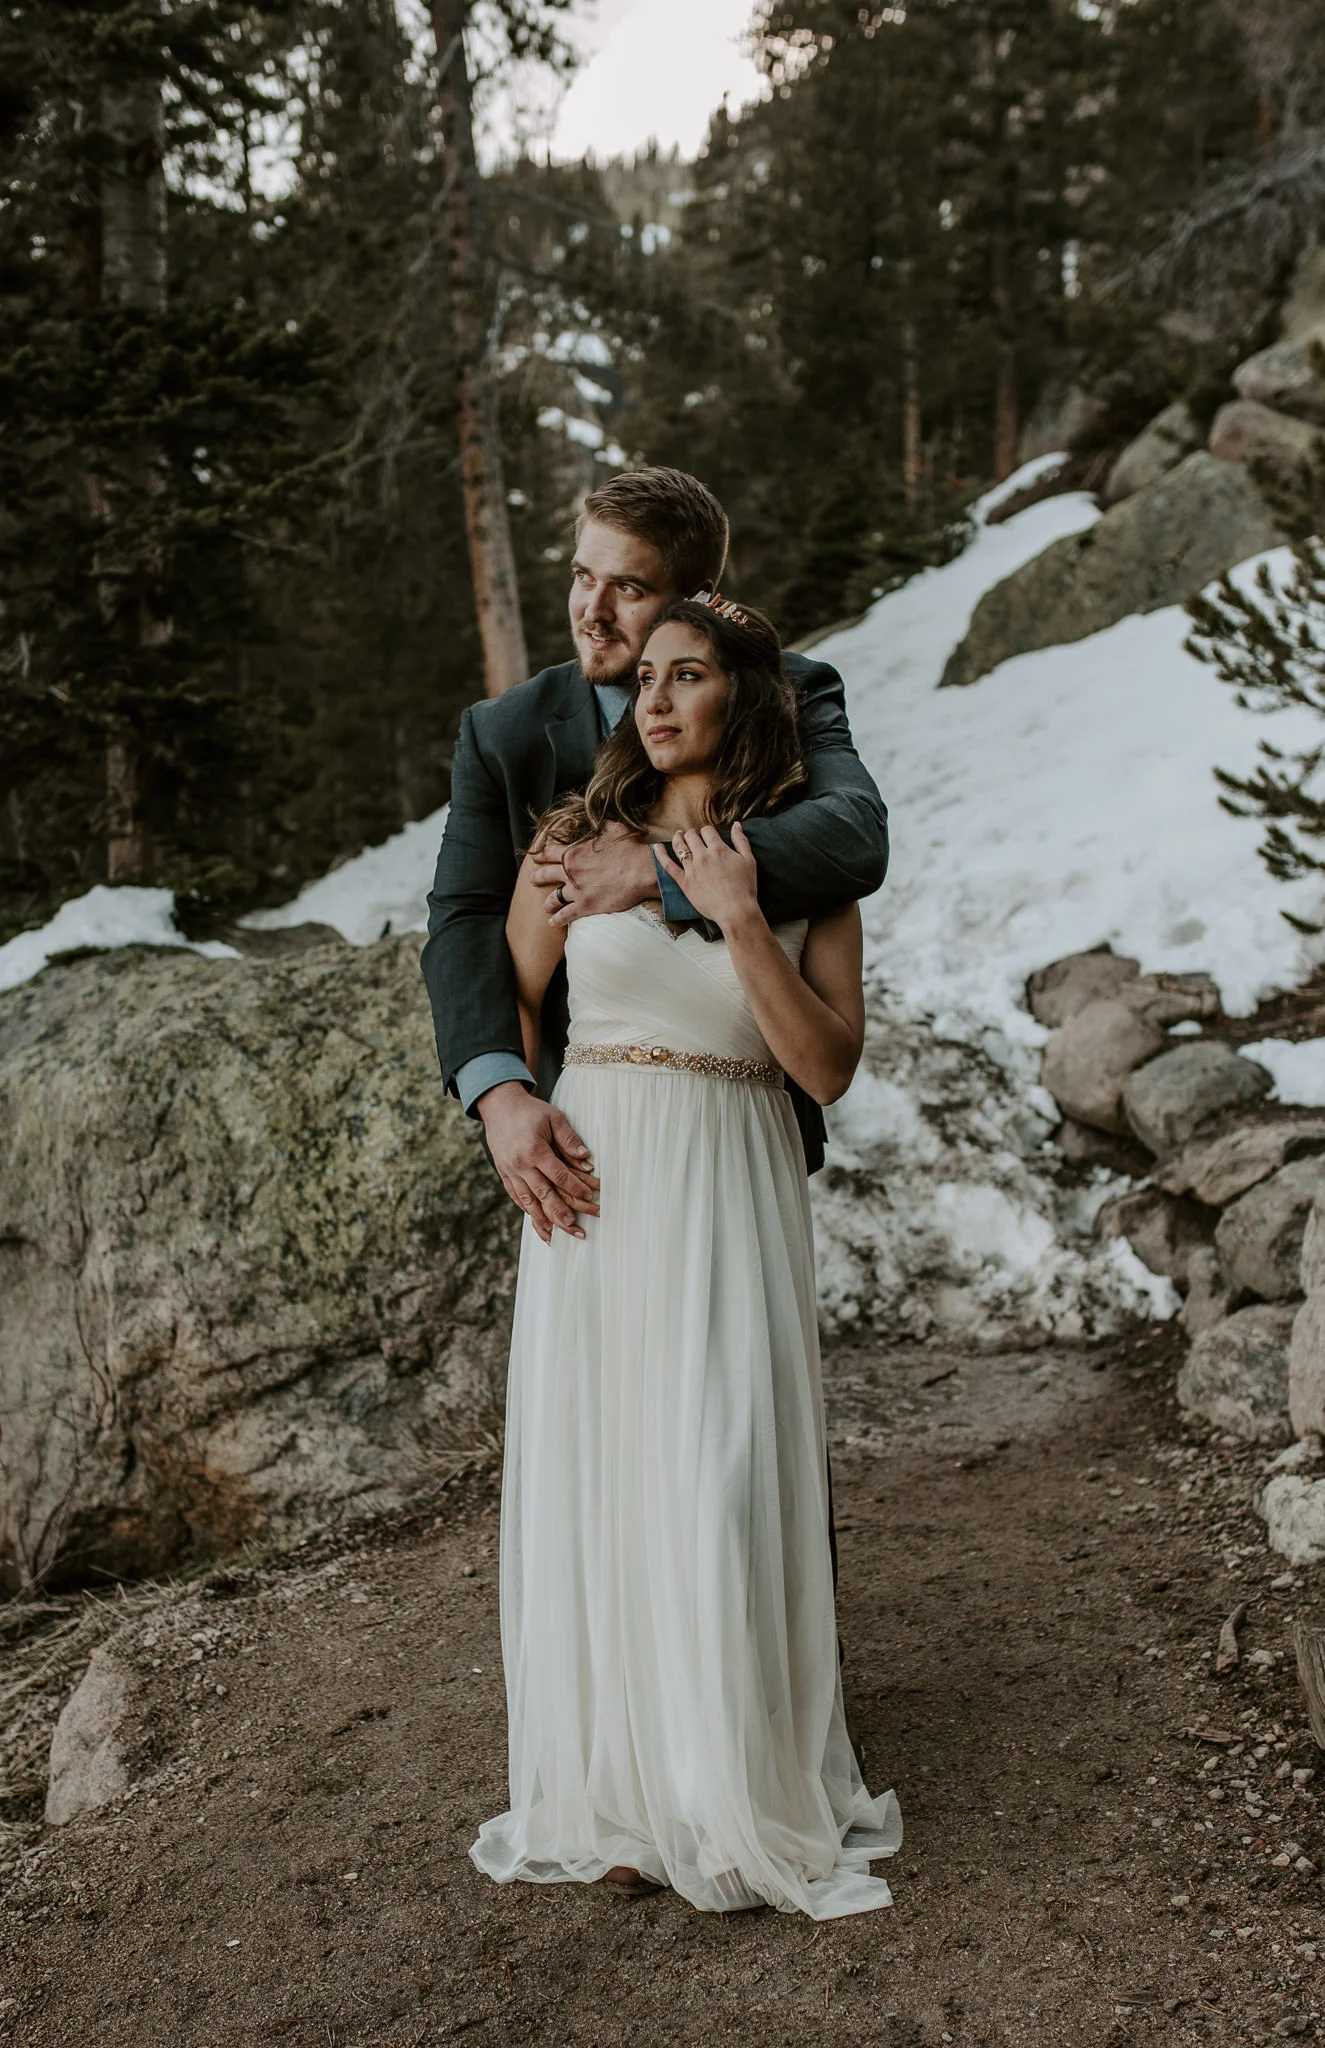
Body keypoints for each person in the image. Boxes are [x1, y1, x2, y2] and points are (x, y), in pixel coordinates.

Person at [467, 596, 901, 1916]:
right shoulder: (572, 834)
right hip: (601, 1185)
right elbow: (515, 992)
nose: (651, 700)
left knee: (718, 1467)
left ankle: (723, 1788)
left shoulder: (801, 867)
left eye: (687, 675)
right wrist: (515, 1103)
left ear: (742, 698)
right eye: (644, 677)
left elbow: (824, 1067)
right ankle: (615, 1792)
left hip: (730, 1175)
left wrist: (740, 914)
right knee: (609, 1473)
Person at [420, 466, 889, 1238]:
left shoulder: (783, 691)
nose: (592, 611)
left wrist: (652, 870)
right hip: (587, 1149)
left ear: (695, 599)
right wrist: (500, 1097)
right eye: (582, 577)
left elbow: (854, 835)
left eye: (627, 589)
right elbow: (465, 917)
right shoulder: (504, 731)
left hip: (747, 1138)